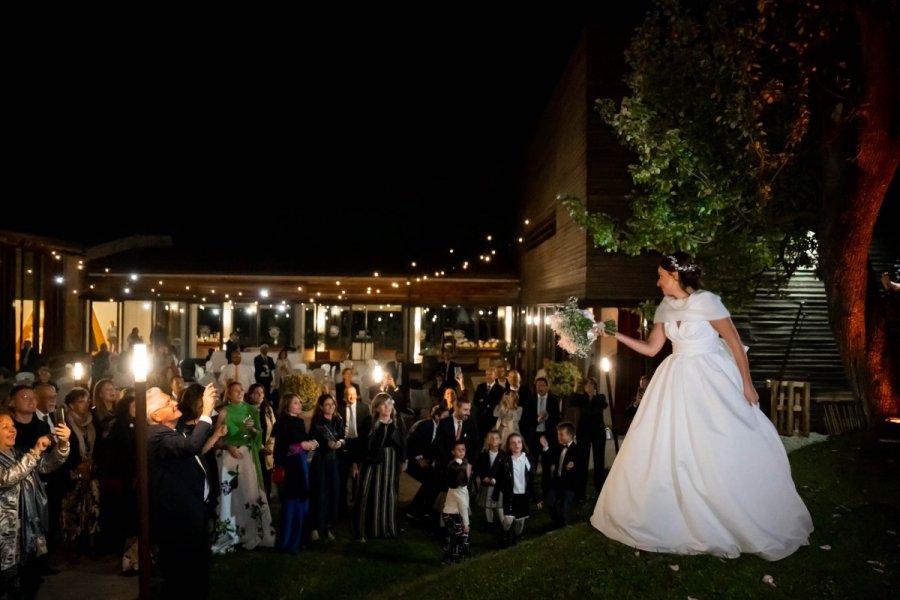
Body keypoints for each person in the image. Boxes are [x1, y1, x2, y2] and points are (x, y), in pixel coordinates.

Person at [590, 252, 813, 561]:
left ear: (677, 276)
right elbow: (653, 348)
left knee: (714, 441)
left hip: (709, 378)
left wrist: (747, 384)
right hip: (675, 378)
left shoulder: (709, 303)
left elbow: (735, 344)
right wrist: (615, 334)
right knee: (672, 444)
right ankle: (674, 512)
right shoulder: (665, 307)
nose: (658, 281)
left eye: (661, 276)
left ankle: (730, 510)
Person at [147, 384, 224, 600]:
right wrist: (207, 410)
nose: (174, 402)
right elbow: (192, 445)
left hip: (192, 511)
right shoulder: (157, 436)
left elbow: (195, 439)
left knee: (196, 571)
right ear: (155, 415)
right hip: (178, 519)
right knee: (182, 576)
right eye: (168, 402)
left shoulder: (170, 429)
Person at [0, 413, 70, 599]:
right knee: (7, 584)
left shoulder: (21, 452)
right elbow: (6, 478)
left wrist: (63, 444)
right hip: (5, 535)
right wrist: (35, 452)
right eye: (4, 427)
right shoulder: (26, 454)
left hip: (28, 530)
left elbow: (48, 464)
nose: (12, 429)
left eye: (12, 425)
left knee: (28, 583)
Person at [540, 421, 581, 528]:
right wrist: (546, 447)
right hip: (557, 482)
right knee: (549, 503)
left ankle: (565, 527)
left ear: (570, 435)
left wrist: (571, 468)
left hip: (568, 485)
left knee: (564, 508)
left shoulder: (576, 451)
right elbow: (551, 459)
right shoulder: (559, 448)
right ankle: (556, 523)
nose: (559, 437)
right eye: (558, 434)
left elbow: (577, 469)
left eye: (561, 434)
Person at [440, 440, 471, 565]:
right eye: (459, 450)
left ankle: (453, 557)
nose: (462, 452)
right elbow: (463, 507)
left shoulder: (457, 465)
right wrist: (466, 524)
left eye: (463, 449)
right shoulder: (458, 490)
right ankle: (453, 558)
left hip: (449, 513)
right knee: (459, 536)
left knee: (453, 536)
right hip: (453, 515)